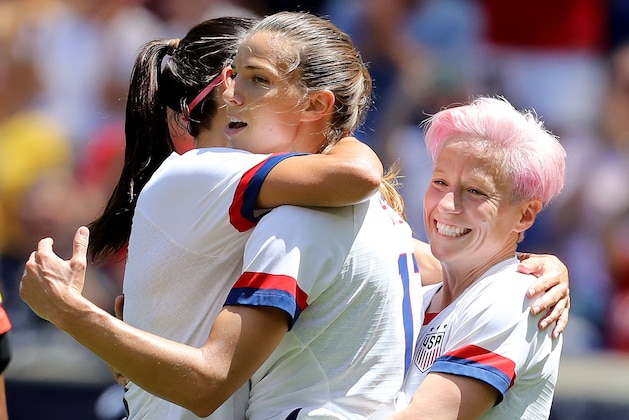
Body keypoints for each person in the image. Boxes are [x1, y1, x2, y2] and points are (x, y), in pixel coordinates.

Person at [19, 12, 568, 420]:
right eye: (442, 182)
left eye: (255, 79)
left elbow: (209, 381)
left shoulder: (302, 217)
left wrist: (76, 316)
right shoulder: (354, 215)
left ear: (316, 106)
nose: (235, 95)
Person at [392, 96, 566, 419]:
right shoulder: (419, 295)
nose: (447, 204)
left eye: (475, 192)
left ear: (525, 214)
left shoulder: (518, 298)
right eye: (439, 182)